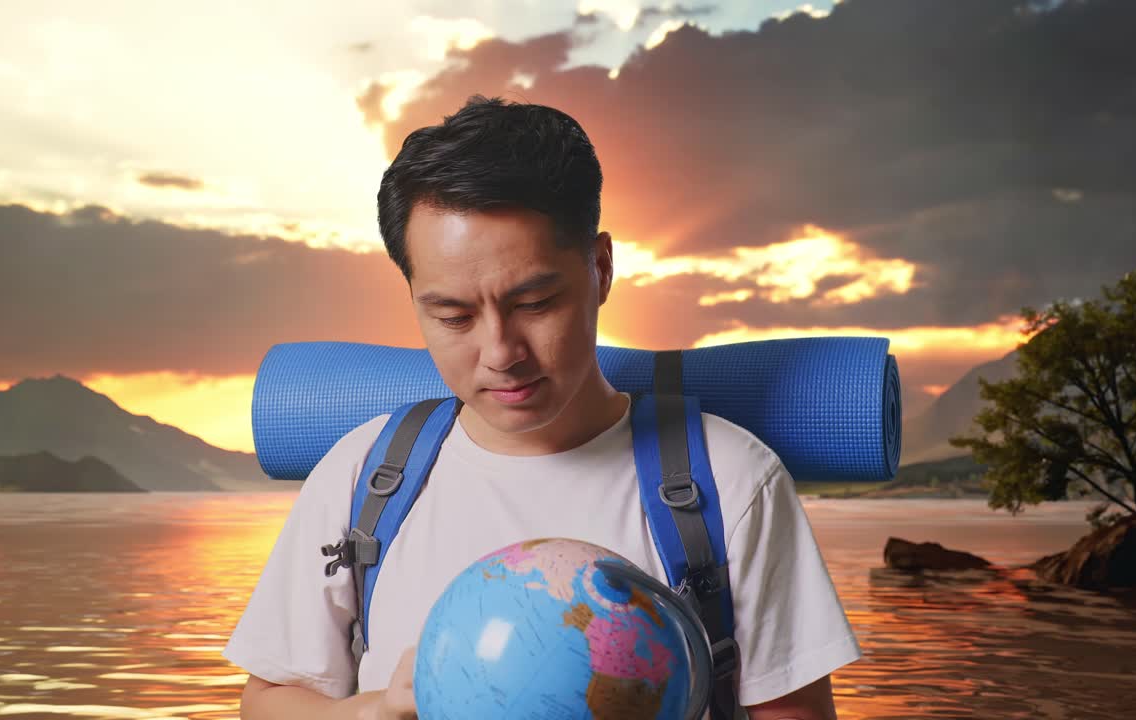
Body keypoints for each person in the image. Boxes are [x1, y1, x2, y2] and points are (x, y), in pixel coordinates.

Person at [223, 95, 862, 720]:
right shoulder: (364, 475)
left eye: (534, 304)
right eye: (453, 315)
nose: (500, 352)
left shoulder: (729, 481)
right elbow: (268, 701)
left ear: (601, 268)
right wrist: (374, 712)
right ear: (414, 298)